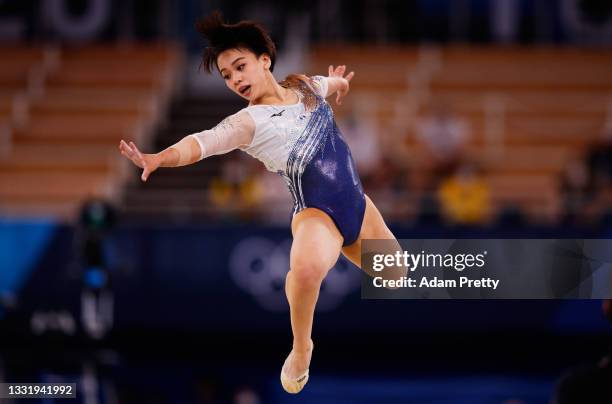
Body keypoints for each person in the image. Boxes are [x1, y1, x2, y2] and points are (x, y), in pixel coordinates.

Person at [118, 11, 405, 394]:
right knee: (305, 273)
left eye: (240, 67)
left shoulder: (302, 86)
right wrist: (159, 157)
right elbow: (200, 143)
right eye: (227, 75)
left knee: (395, 275)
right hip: (317, 214)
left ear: (264, 60)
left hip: (359, 205)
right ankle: (302, 347)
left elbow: (325, 83)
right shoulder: (248, 123)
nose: (235, 79)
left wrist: (338, 83)